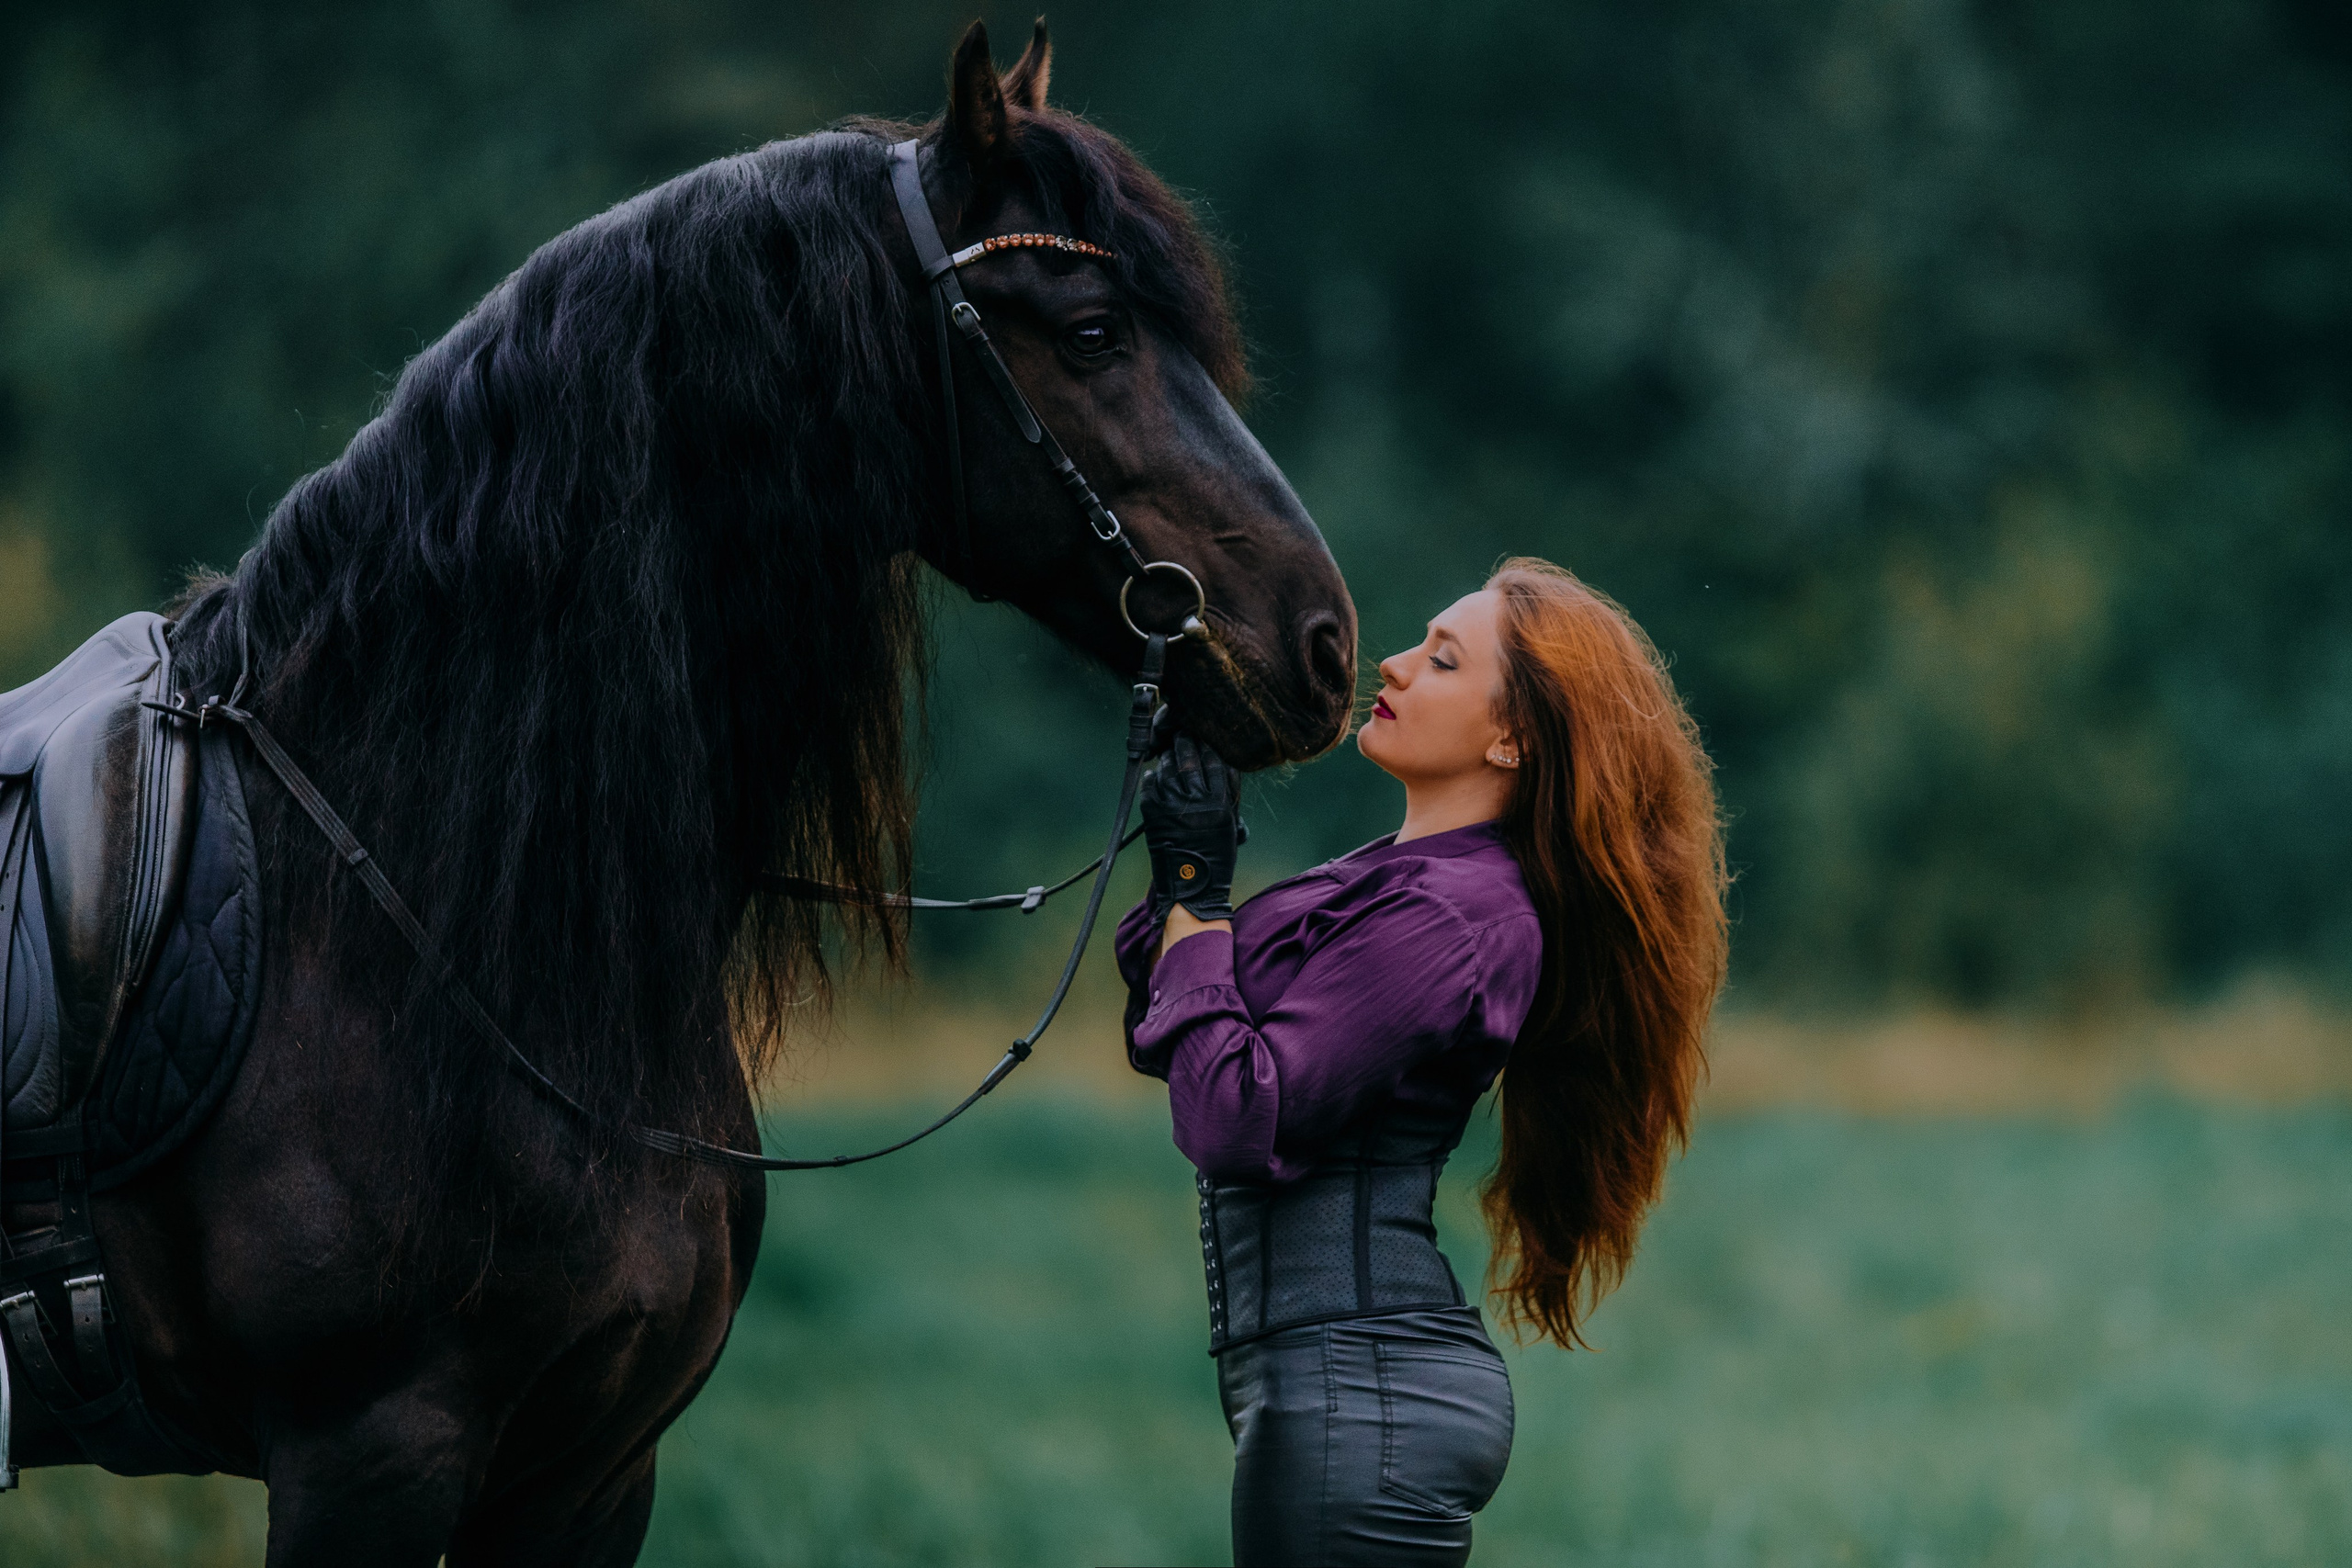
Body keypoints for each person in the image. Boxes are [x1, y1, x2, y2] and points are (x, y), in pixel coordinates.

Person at [1116, 557, 1728, 1567]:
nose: (1391, 665)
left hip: (1362, 1392)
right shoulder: (1388, 878)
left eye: (1441, 661)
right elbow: (1176, 1029)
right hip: (1334, 1384)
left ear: (1511, 737)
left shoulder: (1451, 917)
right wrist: (1188, 865)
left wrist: (1196, 891)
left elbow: (1235, 1119)